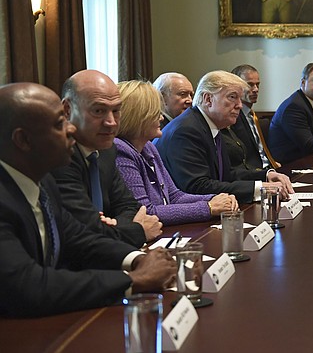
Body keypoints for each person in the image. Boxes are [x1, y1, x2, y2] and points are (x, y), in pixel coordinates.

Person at [0, 83, 175, 317]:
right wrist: (133, 279)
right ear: (23, 140)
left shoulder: (43, 183)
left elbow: (78, 239)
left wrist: (137, 260)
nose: (71, 129)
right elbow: (29, 286)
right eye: (59, 124)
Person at [51, 70, 162, 247]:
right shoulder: (58, 157)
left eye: (116, 111)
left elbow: (130, 206)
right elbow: (85, 232)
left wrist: (115, 226)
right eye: (98, 111)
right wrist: (136, 230)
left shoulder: (107, 150)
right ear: (67, 110)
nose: (111, 122)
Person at [157, 70, 293, 203]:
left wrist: (265, 176)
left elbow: (226, 174)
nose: (239, 105)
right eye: (232, 97)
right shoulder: (186, 130)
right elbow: (197, 186)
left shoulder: (210, 124)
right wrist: (259, 188)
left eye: (240, 98)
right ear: (208, 99)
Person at [114, 81, 238, 226]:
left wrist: (215, 198)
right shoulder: (121, 151)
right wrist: (208, 207)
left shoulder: (148, 147)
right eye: (155, 112)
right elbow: (146, 213)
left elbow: (174, 196)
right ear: (138, 116)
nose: (161, 118)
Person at [223, 64, 280, 176]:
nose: (255, 89)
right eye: (249, 85)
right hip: (251, 175)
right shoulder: (232, 117)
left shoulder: (251, 115)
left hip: (269, 168)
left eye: (257, 84)